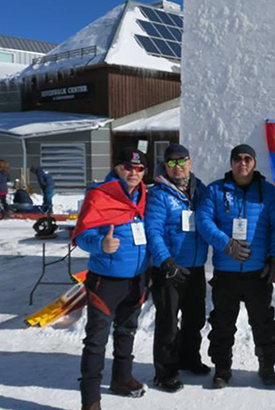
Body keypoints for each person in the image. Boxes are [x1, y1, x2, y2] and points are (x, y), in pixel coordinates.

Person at [196, 144, 275, 389]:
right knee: (222, 324)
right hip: (226, 273)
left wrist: (274, 259)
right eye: (237, 159)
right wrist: (226, 244)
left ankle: (267, 366)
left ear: (254, 163)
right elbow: (203, 221)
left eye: (247, 159)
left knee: (263, 323)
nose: (242, 163)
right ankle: (222, 368)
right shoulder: (216, 190)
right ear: (231, 163)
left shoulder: (267, 192)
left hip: (258, 273)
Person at [72, 148, 150, 410]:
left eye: (139, 169)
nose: (134, 173)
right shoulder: (100, 195)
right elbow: (81, 236)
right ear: (117, 167)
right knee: (96, 340)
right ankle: (91, 399)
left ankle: (122, 378)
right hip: (106, 281)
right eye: (128, 167)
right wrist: (100, 244)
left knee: (127, 331)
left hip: (136, 278)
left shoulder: (144, 196)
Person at [145, 144, 210, 393]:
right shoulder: (159, 194)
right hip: (169, 268)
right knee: (168, 322)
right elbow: (153, 231)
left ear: (190, 162)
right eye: (171, 162)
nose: (177, 166)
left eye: (181, 161)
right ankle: (165, 372)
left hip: (195, 267)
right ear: (165, 166)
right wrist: (166, 261)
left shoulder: (199, 190)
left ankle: (189, 358)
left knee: (195, 318)